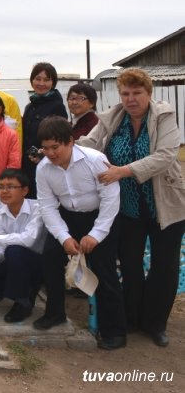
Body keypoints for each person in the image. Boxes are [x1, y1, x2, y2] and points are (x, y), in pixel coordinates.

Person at [78, 68, 185, 347]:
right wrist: (62, 148)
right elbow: (89, 144)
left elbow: (165, 156)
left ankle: (155, 324)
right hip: (128, 208)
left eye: (137, 93)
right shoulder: (112, 117)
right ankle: (133, 318)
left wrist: (122, 171)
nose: (131, 99)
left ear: (149, 93)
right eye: (125, 93)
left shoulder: (164, 116)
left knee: (164, 267)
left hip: (165, 205)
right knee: (130, 264)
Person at [35, 116, 126, 350]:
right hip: (68, 217)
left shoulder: (95, 160)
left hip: (100, 216)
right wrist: (64, 237)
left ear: (70, 141)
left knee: (104, 268)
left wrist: (96, 234)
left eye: (55, 147)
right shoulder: (43, 169)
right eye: (45, 148)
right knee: (50, 256)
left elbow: (110, 199)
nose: (50, 153)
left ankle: (114, 330)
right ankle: (55, 312)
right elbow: (46, 206)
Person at [0, 169, 46, 323]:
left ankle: (23, 302)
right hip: (12, 261)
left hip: (38, 262)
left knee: (15, 251)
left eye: (10, 187)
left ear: (25, 190)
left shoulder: (38, 209)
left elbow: (29, 240)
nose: (4, 191)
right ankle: (10, 292)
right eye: (1, 187)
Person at [21, 62, 67, 192]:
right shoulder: (30, 106)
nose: (41, 83)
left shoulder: (57, 106)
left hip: (48, 164)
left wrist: (44, 154)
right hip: (28, 165)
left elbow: (60, 139)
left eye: (46, 80)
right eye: (38, 79)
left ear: (53, 83)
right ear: (32, 80)